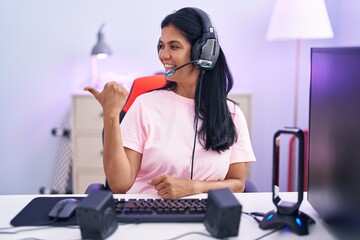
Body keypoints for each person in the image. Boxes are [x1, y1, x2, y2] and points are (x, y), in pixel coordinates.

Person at [85, 7, 256, 199]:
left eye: (174, 46)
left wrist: (194, 187)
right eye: (161, 46)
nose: (163, 55)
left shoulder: (231, 114)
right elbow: (119, 185)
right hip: (146, 214)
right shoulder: (144, 106)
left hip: (208, 216)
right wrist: (110, 115)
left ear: (204, 52)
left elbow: (238, 184)